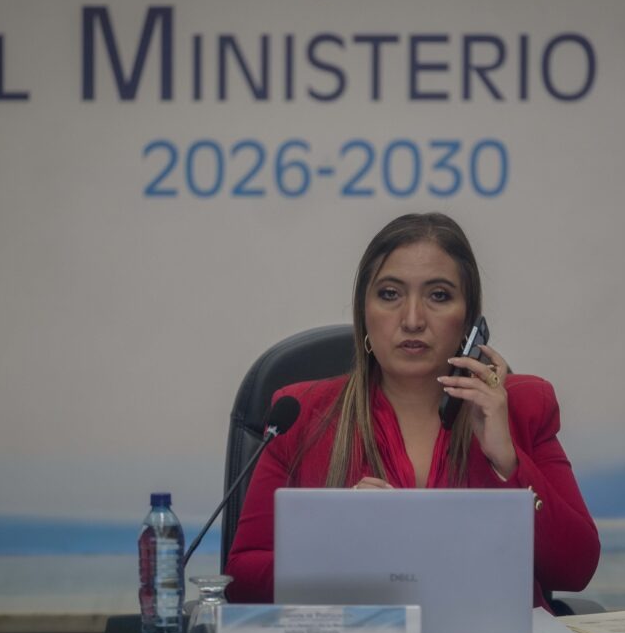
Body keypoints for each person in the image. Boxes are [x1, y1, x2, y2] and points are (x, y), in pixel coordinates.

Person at [225, 212, 600, 610]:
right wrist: (337, 541)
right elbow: (242, 579)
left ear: (469, 320)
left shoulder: (523, 406)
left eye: (438, 295)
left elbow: (575, 570)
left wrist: (507, 462)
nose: (412, 320)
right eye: (390, 294)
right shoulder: (302, 415)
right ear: (363, 312)